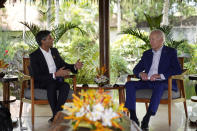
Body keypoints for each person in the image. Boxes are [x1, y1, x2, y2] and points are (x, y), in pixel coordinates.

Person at [125, 29, 182, 129]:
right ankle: (133, 116)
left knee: (159, 86)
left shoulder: (170, 52)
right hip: (147, 81)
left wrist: (160, 75)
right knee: (129, 84)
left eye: (153, 39)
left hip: (163, 82)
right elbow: (136, 69)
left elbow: (177, 70)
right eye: (150, 39)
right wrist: (141, 73)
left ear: (161, 40)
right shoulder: (147, 53)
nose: (150, 41)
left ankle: (147, 117)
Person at [30, 30, 83, 123]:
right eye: (50, 38)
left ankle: (55, 115)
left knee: (65, 86)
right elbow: (37, 76)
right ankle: (58, 115)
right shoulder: (34, 55)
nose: (53, 39)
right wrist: (55, 74)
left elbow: (64, 65)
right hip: (43, 82)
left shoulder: (54, 51)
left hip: (56, 81)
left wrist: (74, 66)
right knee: (52, 85)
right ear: (43, 41)